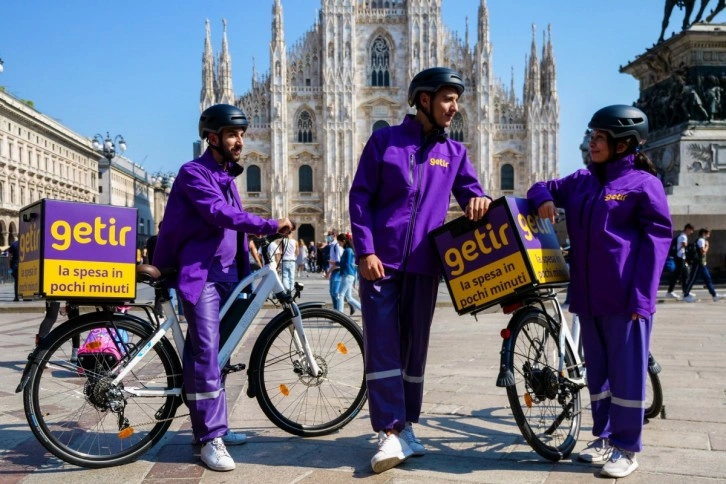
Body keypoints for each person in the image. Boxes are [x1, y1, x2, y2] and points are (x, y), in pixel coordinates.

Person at [349, 67, 490, 473]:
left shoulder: (454, 152)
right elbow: (360, 198)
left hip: (426, 265)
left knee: (415, 351)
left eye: (457, 100)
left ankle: (407, 424)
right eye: (448, 98)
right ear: (424, 100)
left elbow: (472, 193)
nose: (454, 107)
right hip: (383, 262)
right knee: (384, 346)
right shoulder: (385, 141)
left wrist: (478, 201)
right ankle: (388, 431)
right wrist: (365, 251)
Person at [528, 105, 672, 478]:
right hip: (588, 298)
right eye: (592, 136)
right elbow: (542, 186)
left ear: (623, 144)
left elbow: (657, 242)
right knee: (599, 376)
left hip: (626, 299)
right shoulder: (582, 181)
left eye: (599, 138)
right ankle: (604, 437)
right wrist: (543, 197)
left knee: (626, 375)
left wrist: (643, 297)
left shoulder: (643, 184)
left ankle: (627, 447)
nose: (591, 143)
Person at [153, 103, 293, 472]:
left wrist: (255, 245)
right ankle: (209, 438)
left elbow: (231, 227)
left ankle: (218, 426)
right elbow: (219, 214)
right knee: (205, 355)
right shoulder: (193, 173)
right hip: (203, 277)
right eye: (233, 135)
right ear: (212, 138)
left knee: (222, 355)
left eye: (242, 135)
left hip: (231, 275)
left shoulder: (227, 177)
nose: (240, 141)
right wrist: (267, 224)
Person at [685, 228, 724, 302]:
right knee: (693, 279)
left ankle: (714, 295)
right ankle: (686, 295)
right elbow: (703, 252)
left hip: (702, 264)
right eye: (708, 233)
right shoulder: (701, 240)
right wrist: (707, 246)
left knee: (708, 279)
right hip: (698, 263)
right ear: (703, 233)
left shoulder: (702, 240)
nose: (709, 235)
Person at [666, 223, 695, 301]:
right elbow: (684, 245)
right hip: (680, 258)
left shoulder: (681, 236)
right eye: (691, 230)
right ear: (687, 229)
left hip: (680, 257)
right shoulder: (683, 236)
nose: (691, 232)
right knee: (681, 274)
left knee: (681, 274)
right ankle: (682, 292)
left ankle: (683, 291)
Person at [336, 233, 361, 315]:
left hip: (347, 274)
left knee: (340, 295)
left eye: (339, 242)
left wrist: (336, 263)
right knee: (349, 297)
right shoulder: (349, 250)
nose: (339, 244)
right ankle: (364, 311)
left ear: (343, 241)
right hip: (348, 274)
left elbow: (347, 263)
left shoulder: (348, 250)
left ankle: (340, 315)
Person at [145, 225, 164, 320]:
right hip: (162, 270)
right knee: (162, 293)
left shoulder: (151, 240)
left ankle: (158, 312)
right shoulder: (161, 240)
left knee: (158, 292)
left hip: (152, 268)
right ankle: (158, 312)